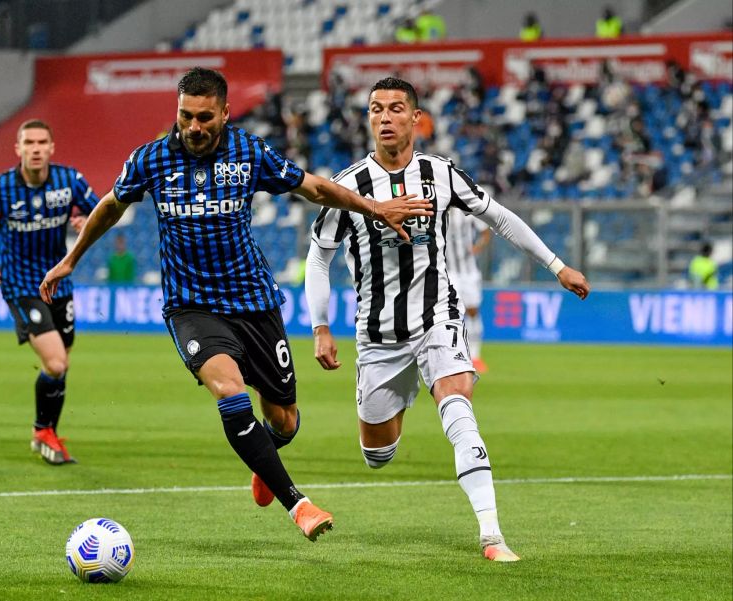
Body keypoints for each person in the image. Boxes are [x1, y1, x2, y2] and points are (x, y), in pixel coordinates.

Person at [40, 67, 431, 541]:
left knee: (284, 420)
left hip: (254, 303)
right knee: (228, 390)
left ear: (224, 113)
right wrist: (70, 260)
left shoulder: (248, 152)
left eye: (205, 117)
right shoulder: (151, 159)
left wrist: (373, 208)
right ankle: (298, 504)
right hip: (191, 307)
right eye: (186, 116)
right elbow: (110, 206)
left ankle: (264, 457)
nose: (194, 127)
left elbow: (313, 187)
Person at [304, 77, 590, 561]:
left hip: (437, 317)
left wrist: (556, 266)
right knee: (377, 454)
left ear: (416, 119)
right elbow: (318, 258)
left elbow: (499, 217)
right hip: (377, 337)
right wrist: (321, 327)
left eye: (397, 108)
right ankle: (407, 396)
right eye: (376, 109)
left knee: (458, 404)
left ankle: (492, 535)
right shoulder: (348, 185)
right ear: (368, 118)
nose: (385, 117)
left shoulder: (441, 173)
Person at [0, 119, 99, 465]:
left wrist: (83, 221)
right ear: (18, 149)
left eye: (42, 142)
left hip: (58, 280)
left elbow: (101, 209)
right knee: (56, 362)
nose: (36, 148)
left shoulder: (69, 180)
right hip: (19, 283)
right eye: (28, 142)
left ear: (51, 147)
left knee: (62, 364)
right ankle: (42, 430)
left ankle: (47, 433)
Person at [446, 207, 491, 372]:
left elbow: (485, 232)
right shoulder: (438, 209)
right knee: (452, 314)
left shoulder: (466, 211)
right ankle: (454, 355)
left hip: (468, 271)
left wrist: (476, 248)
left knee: (472, 311)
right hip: (448, 271)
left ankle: (476, 356)